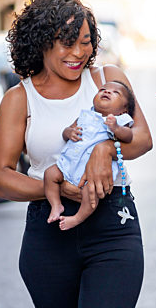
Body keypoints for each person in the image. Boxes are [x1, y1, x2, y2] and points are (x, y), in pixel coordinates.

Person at [0, 0, 152, 308]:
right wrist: (59, 190)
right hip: (49, 231)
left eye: (86, 41)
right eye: (67, 41)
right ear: (41, 41)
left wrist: (105, 147)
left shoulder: (107, 80)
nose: (78, 52)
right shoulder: (19, 99)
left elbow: (143, 138)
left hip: (113, 227)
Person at [45, 80, 136, 230]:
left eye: (115, 92)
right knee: (50, 174)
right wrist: (70, 132)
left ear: (124, 109)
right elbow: (66, 131)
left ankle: (77, 218)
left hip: (92, 174)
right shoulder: (86, 115)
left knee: (91, 194)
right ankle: (56, 205)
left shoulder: (120, 120)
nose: (107, 92)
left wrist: (116, 128)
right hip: (70, 164)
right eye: (103, 89)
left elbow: (129, 137)